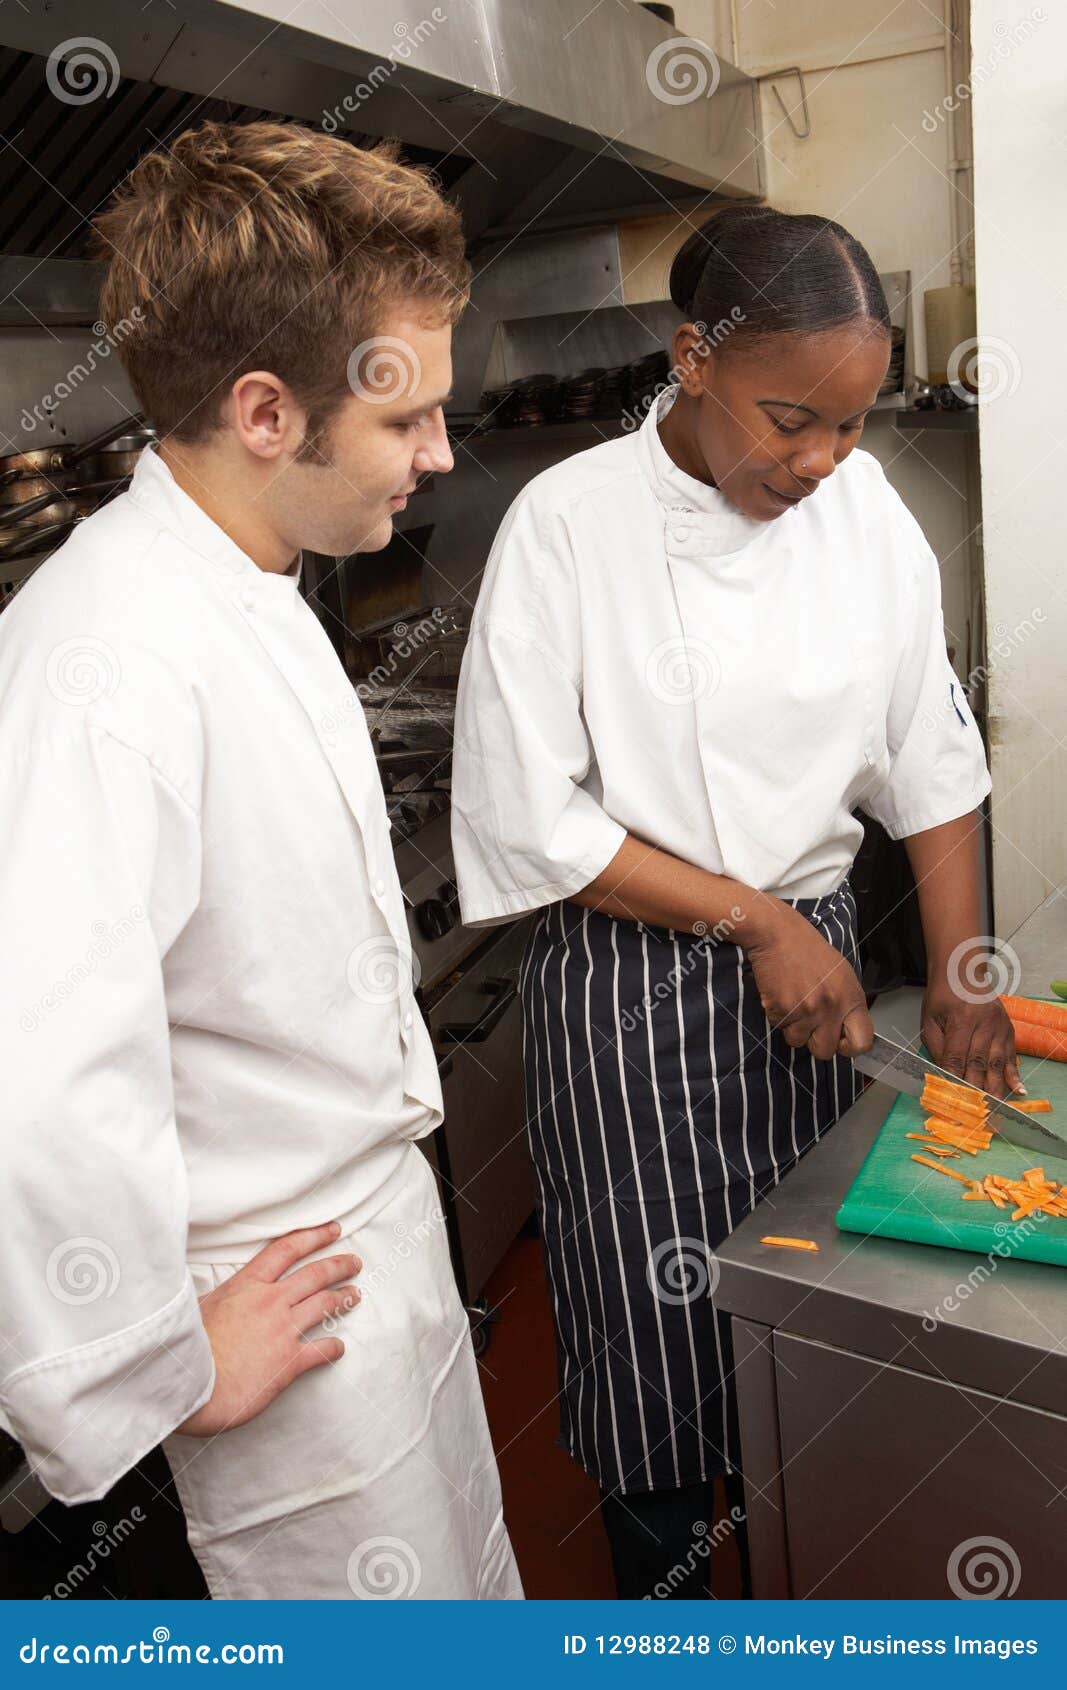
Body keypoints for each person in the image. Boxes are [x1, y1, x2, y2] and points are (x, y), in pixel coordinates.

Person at [450, 203, 1018, 1599]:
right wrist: (751, 921)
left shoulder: (864, 516)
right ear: (692, 358)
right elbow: (532, 816)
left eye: (850, 424)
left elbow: (928, 755)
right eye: (789, 420)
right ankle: (670, 1607)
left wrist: (960, 969)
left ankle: (794, 1578)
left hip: (815, 970)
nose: (822, 461)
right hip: (633, 989)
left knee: (809, 1328)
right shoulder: (567, 525)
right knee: (654, 1371)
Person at [0, 120, 521, 1602]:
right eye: (405, 417)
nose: (439, 452)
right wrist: (152, 1366)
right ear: (265, 412)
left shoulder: (256, 580)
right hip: (272, 1305)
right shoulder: (100, 658)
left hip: (371, 1254)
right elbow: (31, 1077)